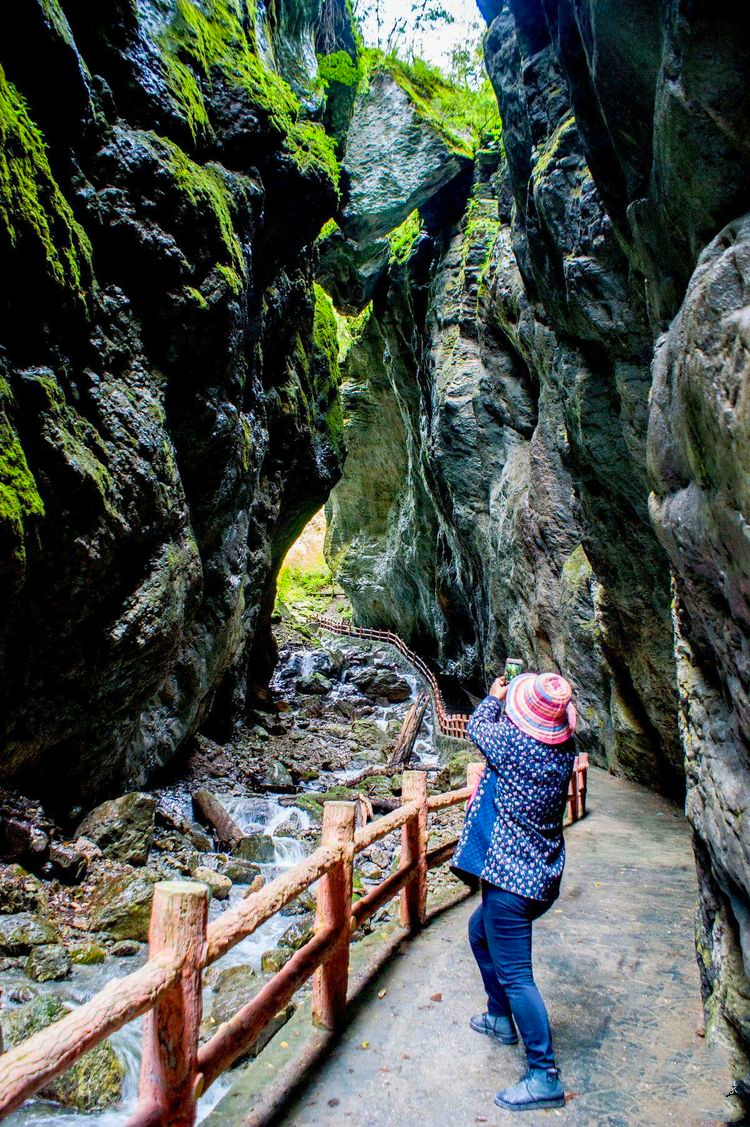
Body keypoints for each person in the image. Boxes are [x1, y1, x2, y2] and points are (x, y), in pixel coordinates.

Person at [451, 669, 577, 1112]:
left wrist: (491, 698)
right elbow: (557, 727)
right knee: (477, 933)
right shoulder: (564, 750)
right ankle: (499, 1016)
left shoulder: (513, 745)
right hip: (541, 875)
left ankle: (544, 1075)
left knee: (518, 976)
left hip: (509, 880)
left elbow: (476, 728)